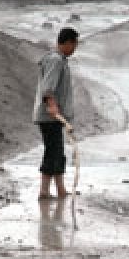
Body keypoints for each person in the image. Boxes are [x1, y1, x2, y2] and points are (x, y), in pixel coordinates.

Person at [33, 27, 78, 200]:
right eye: (74, 44)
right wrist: (52, 106)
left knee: (57, 152)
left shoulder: (61, 60)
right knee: (53, 151)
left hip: (55, 117)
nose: (74, 48)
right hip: (49, 116)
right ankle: (44, 191)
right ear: (67, 43)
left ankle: (60, 189)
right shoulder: (55, 60)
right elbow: (48, 87)